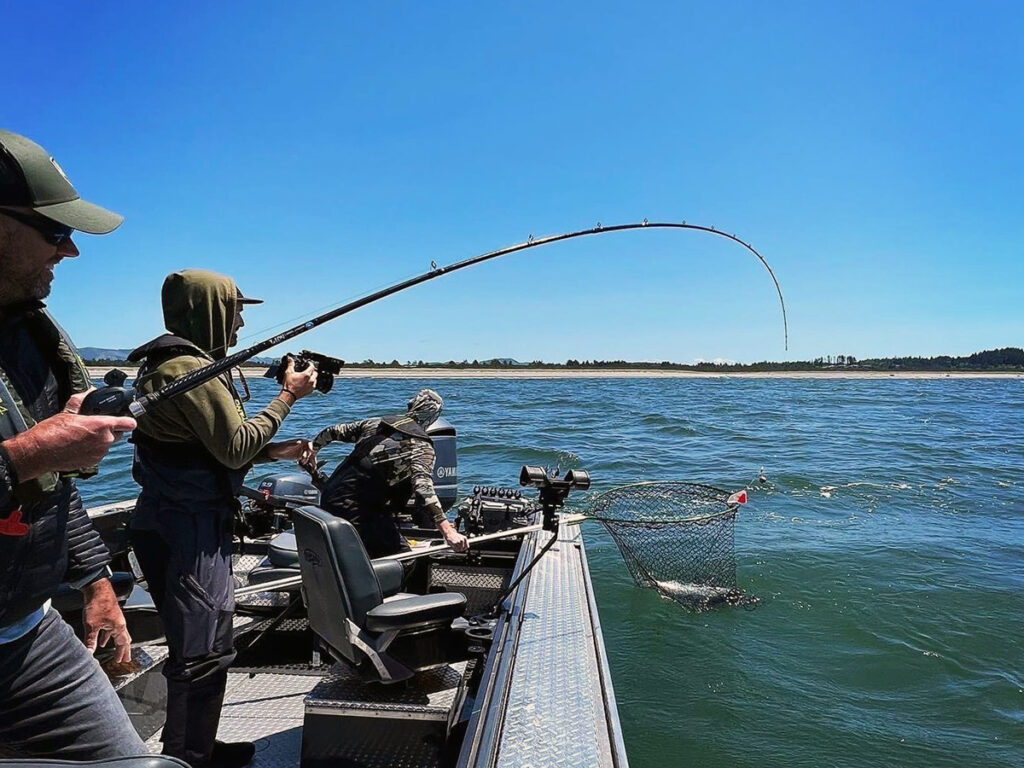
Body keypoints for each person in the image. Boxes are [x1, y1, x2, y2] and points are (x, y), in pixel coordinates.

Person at [128, 268, 317, 768]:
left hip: (187, 521)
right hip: (185, 528)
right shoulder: (183, 370)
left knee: (210, 645)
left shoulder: (181, 367)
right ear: (208, 310)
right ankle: (186, 758)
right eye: (233, 311)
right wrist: (289, 395)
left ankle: (200, 748)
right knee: (199, 654)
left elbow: (202, 450)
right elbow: (233, 448)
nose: (238, 324)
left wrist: (272, 452)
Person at [0, 129, 146, 759]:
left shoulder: (26, 335)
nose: (70, 250)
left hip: (27, 634)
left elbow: (48, 486)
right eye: (53, 231)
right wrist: (27, 455)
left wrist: (93, 578)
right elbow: (30, 465)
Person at [302, 389, 468, 558]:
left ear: (411, 406)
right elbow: (423, 489)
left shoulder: (376, 423)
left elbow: (333, 431)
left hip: (330, 497)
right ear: (434, 417)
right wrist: (448, 531)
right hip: (358, 510)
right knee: (403, 559)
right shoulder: (421, 447)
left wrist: (313, 450)